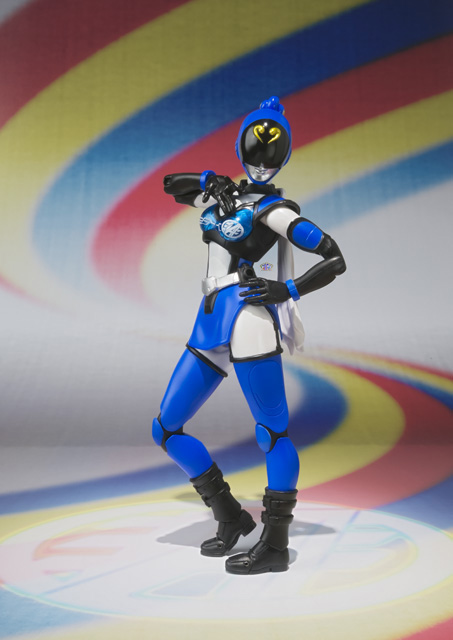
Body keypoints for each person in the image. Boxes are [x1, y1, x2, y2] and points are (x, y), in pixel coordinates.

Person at [152, 96, 346, 574]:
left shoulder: (275, 210)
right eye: (255, 152)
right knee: (166, 427)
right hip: (210, 317)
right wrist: (209, 181)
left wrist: (286, 289)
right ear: (241, 150)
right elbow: (170, 184)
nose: (262, 163)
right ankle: (230, 516)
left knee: (271, 433)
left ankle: (275, 544)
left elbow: (334, 257)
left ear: (285, 156)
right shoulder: (227, 197)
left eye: (272, 155)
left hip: (248, 319)